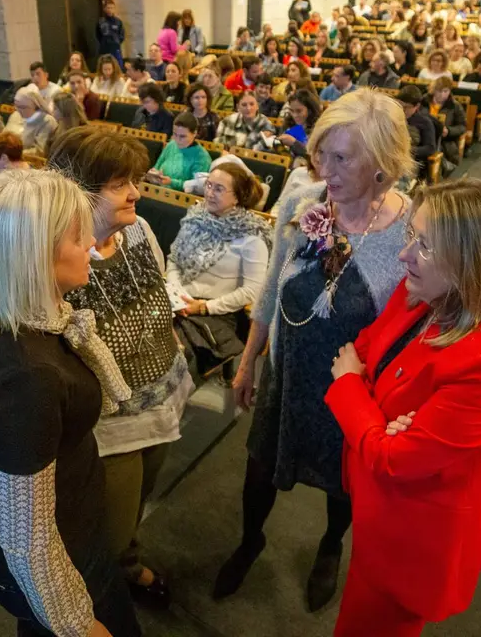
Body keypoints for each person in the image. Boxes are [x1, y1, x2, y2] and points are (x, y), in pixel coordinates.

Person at [215, 89, 417, 612]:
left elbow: (416, 330)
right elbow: (271, 290)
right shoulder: (303, 204)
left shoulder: (411, 232)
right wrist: (248, 359)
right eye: (321, 153)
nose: (324, 169)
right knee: (259, 467)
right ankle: (249, 540)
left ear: (382, 162)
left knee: (342, 484)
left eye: (341, 157)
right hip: (286, 374)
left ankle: (331, 546)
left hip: (353, 390)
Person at [326, 178, 481, 637]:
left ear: (470, 262)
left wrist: (350, 388)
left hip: (414, 537)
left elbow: (393, 456)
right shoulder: (424, 288)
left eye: (423, 244)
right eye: (410, 236)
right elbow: (364, 348)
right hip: (381, 505)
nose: (404, 255)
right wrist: (382, 422)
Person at [0, 168, 141, 637]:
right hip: (56, 551)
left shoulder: (16, 314)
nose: (92, 247)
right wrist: (79, 626)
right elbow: (27, 539)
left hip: (68, 521)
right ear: (34, 254)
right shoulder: (26, 377)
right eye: (79, 238)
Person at [51, 127, 194, 610]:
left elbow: (158, 291)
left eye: (132, 179)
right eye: (119, 184)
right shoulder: (57, 257)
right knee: (107, 527)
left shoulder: (139, 228)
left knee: (137, 503)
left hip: (158, 395)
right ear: (78, 192)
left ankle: (128, 566)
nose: (135, 191)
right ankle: (99, 591)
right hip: (108, 422)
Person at [167, 162, 271, 369]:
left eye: (219, 189)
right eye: (208, 185)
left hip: (217, 314)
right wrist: (177, 294)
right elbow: (174, 260)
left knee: (172, 353)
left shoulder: (252, 237)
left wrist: (204, 307)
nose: (210, 193)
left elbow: (252, 291)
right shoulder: (194, 219)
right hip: (178, 304)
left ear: (238, 197)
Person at [145, 112, 212, 190]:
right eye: (175, 134)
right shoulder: (171, 144)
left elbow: (195, 188)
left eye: (182, 136)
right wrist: (153, 175)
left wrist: (171, 182)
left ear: (194, 133)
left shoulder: (202, 157)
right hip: (158, 191)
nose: (177, 140)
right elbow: (157, 166)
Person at [424, 76, 466, 167]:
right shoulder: (423, 101)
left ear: (450, 91)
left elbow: (462, 127)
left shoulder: (455, 106)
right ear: (433, 90)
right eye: (439, 91)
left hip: (444, 140)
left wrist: (449, 131)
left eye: (445, 91)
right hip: (424, 136)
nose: (442, 94)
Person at [396, 85, 438, 175]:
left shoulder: (425, 122)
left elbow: (430, 148)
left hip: (412, 161)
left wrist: (407, 150)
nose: (402, 110)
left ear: (417, 106)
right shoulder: (392, 116)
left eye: (406, 107)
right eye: (399, 105)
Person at [279, 89, 323, 162]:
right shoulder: (288, 123)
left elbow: (316, 157)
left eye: (299, 111)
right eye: (292, 111)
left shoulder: (319, 128)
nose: (295, 115)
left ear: (310, 110)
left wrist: (294, 143)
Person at [12, 87, 58, 154]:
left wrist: (13, 154)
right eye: (16, 106)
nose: (18, 110)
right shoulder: (15, 115)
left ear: (34, 106)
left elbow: (40, 151)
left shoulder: (46, 121)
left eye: (22, 107)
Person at [97, 0, 126, 64]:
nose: (110, 10)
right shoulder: (100, 22)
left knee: (118, 66)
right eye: (108, 8)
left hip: (115, 49)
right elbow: (98, 35)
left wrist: (116, 42)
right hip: (104, 49)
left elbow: (122, 36)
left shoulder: (118, 22)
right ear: (104, 9)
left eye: (112, 8)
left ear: (114, 9)